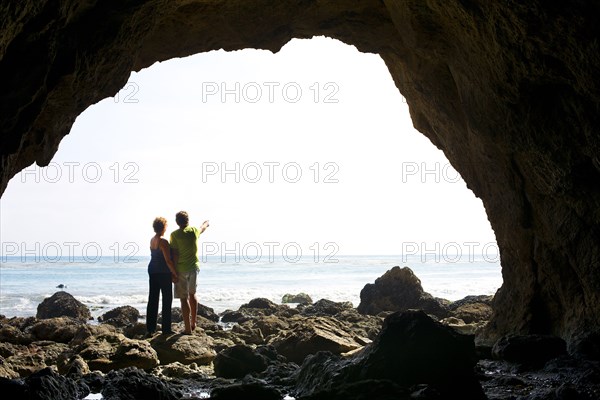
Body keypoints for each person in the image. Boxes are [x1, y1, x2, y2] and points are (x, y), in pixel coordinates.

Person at [170, 211, 209, 334]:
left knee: (183, 298)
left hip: (181, 269)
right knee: (192, 294)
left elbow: (175, 254)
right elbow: (202, 228)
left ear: (177, 222)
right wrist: (206, 223)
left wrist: (173, 272)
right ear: (188, 221)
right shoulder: (193, 231)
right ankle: (193, 323)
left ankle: (187, 329)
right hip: (194, 268)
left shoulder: (174, 235)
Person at [146, 217, 178, 336]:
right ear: (164, 227)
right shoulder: (163, 241)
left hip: (152, 270)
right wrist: (174, 273)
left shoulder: (152, 240)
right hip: (163, 272)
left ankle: (150, 329)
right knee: (167, 299)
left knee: (153, 299)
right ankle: (166, 329)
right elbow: (168, 261)